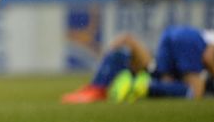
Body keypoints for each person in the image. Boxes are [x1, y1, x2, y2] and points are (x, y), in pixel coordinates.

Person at [61, 25, 214, 104]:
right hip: (192, 40)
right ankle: (145, 86)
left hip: (175, 33)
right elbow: (208, 56)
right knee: (194, 92)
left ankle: (97, 87)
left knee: (156, 71)